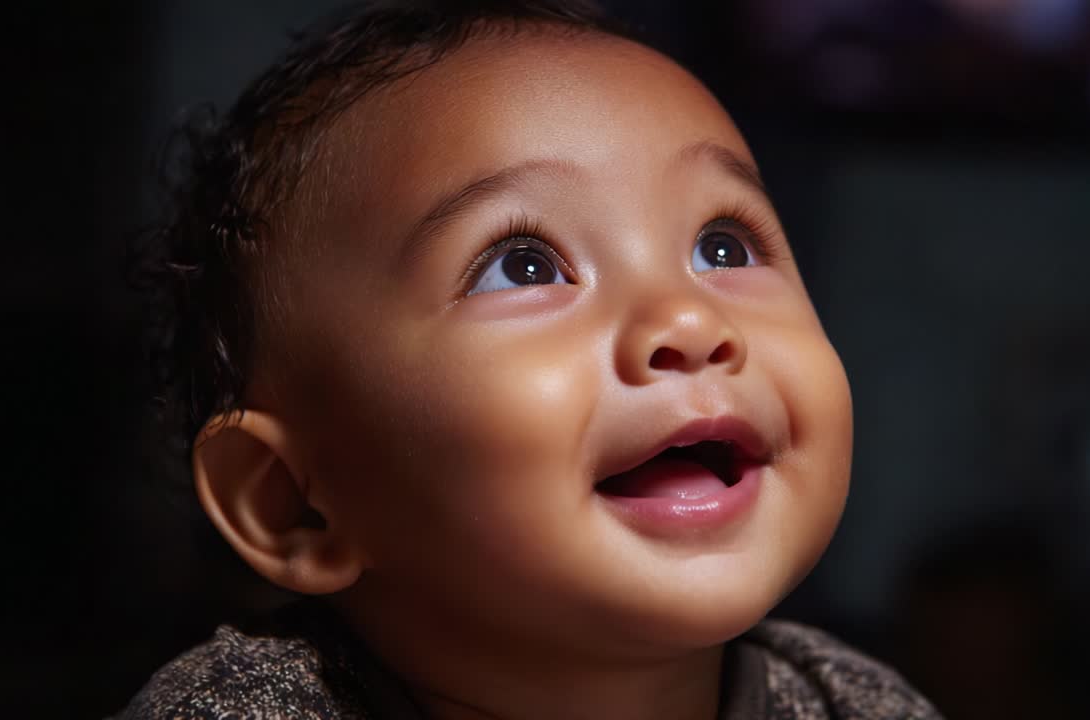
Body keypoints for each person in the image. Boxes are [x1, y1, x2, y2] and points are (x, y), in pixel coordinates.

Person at [120, 1, 941, 718]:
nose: (689, 318)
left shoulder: (857, 703)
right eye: (524, 265)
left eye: (723, 247)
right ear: (295, 503)